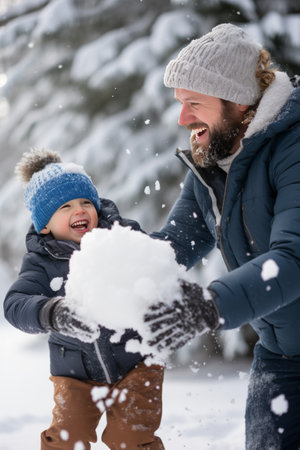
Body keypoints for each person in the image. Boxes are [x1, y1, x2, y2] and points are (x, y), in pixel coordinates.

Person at [143, 23, 300, 449]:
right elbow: (172, 247)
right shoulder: (216, 161)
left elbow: (293, 260)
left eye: (194, 102)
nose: (182, 118)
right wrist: (106, 263)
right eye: (180, 103)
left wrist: (209, 306)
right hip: (279, 356)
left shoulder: (293, 149)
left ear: (240, 102)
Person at [4, 148, 164, 450]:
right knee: (67, 439)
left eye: (85, 202)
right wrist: (51, 312)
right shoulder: (41, 262)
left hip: (137, 363)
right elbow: (14, 304)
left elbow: (156, 264)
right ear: (45, 225)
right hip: (75, 374)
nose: (79, 210)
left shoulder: (121, 236)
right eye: (65, 206)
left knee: (132, 438)